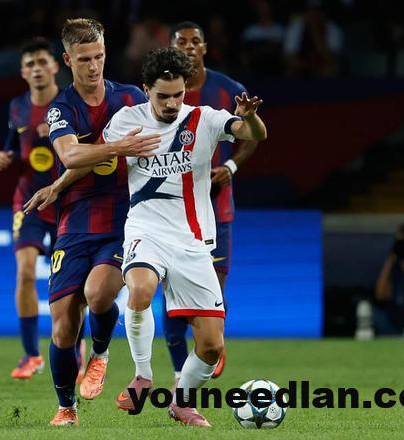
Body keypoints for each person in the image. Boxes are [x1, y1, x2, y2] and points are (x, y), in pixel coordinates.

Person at [100, 47, 267, 426]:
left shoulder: (204, 119)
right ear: (146, 90)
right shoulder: (126, 121)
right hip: (146, 229)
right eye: (163, 96)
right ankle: (142, 376)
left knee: (212, 345)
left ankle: (183, 402)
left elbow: (254, 134)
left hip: (193, 240)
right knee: (140, 288)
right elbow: (100, 159)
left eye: (178, 95)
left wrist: (250, 118)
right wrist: (111, 151)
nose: (172, 103)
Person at [23, 18, 159, 426]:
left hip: (124, 220)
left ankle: (99, 353)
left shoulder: (131, 97)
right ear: (67, 60)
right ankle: (66, 408)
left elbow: (160, 135)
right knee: (64, 327)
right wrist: (64, 181)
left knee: (99, 294)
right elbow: (70, 155)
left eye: (99, 56)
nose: (94, 65)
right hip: (74, 221)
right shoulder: (62, 108)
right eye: (84, 59)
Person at [163, 20, 261, 381]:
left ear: (204, 48)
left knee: (213, 286)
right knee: (173, 293)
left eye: (195, 41)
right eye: (181, 41)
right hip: (173, 208)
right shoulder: (163, 91)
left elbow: (251, 137)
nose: (189, 46)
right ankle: (180, 372)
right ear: (172, 48)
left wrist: (231, 166)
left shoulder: (228, 90)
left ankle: (213, 340)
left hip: (216, 207)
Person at [0, 37, 86, 381]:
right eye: (30, 64)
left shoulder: (70, 104)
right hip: (29, 201)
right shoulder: (17, 107)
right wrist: (5, 157)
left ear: (55, 66)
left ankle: (77, 349)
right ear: (23, 72)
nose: (36, 69)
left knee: (73, 284)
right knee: (26, 272)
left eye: (42, 62)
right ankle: (31, 355)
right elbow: (12, 146)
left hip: (67, 202)